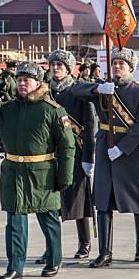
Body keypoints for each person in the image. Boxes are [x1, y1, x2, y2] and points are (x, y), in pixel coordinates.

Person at [0, 62, 75, 279]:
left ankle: (54, 260)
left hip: (42, 172)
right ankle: (15, 268)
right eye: (20, 80)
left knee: (49, 219)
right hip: (13, 171)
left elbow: (67, 146)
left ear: (38, 83)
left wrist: (65, 176)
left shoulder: (52, 110)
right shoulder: (9, 109)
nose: (22, 84)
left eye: (27, 80)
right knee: (14, 222)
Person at [72, 47, 139, 268]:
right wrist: (98, 88)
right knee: (103, 201)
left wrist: (123, 147)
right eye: (114, 63)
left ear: (130, 68)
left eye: (121, 64)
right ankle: (105, 252)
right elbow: (76, 90)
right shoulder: (104, 88)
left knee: (137, 201)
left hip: (129, 151)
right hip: (105, 148)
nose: (117, 67)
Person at [39, 49, 96, 261]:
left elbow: (90, 127)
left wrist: (88, 157)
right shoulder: (45, 93)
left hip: (76, 150)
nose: (55, 69)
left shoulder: (78, 92)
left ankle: (85, 243)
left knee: (79, 199)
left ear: (69, 69)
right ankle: (52, 247)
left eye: (60, 65)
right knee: (51, 202)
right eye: (53, 65)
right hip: (51, 154)